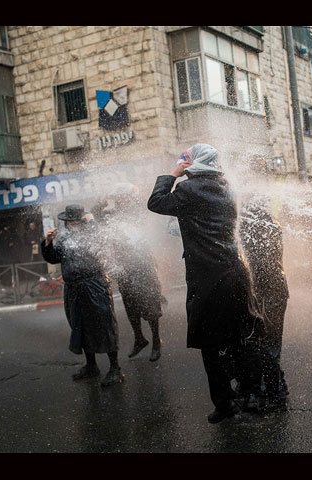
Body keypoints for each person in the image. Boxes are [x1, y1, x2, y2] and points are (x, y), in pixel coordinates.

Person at [147, 143, 264, 424]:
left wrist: (174, 172)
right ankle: (250, 395)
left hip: (209, 279)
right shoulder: (227, 187)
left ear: (193, 164)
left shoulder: (189, 191)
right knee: (239, 337)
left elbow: (156, 203)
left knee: (211, 346)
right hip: (236, 273)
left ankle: (225, 405)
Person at [41, 204, 123, 387]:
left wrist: (91, 221)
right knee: (80, 326)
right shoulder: (64, 239)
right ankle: (91, 365)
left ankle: (115, 368)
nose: (72, 225)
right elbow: (54, 258)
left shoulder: (92, 233)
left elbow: (102, 237)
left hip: (94, 285)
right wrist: (47, 242)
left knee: (104, 324)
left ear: (82, 220)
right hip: (73, 289)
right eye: (69, 222)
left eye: (75, 221)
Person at [94, 185, 164, 362]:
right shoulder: (112, 214)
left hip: (143, 266)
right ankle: (140, 338)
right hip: (124, 268)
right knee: (130, 306)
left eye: (123, 198)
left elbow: (146, 205)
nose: (120, 201)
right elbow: (96, 215)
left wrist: (135, 192)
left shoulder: (137, 210)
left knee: (150, 305)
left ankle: (156, 341)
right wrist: (101, 200)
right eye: (118, 198)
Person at [239, 197, 290, 411]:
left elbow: (259, 265)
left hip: (270, 293)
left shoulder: (257, 230)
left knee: (268, 344)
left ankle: (276, 396)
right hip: (272, 291)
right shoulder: (270, 224)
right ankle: (276, 386)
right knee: (266, 343)